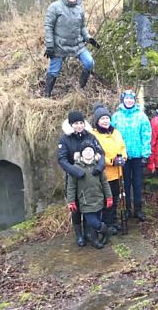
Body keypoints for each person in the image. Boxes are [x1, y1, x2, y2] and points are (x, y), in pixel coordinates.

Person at [43, 0, 100, 97]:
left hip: (77, 44)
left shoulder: (79, 9)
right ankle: (47, 94)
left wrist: (88, 37)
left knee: (89, 63)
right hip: (60, 45)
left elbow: (82, 26)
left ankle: (80, 88)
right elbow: (48, 26)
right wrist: (49, 45)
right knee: (54, 70)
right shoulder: (54, 7)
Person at [57, 111, 106, 246]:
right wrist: (76, 171)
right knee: (76, 208)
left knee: (90, 206)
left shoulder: (90, 136)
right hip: (74, 177)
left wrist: (99, 167)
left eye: (80, 123)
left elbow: (101, 153)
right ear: (71, 125)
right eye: (76, 123)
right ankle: (79, 235)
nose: (79, 126)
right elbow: (61, 159)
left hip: (91, 176)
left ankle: (90, 233)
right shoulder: (65, 139)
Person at [111, 90, 151, 222]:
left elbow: (146, 135)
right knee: (125, 184)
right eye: (127, 99)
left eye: (131, 99)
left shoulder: (141, 116)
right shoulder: (116, 116)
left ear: (134, 100)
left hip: (138, 155)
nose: (129, 101)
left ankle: (138, 209)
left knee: (138, 184)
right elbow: (112, 136)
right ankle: (127, 209)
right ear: (123, 100)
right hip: (123, 157)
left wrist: (146, 153)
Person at [66, 141, 113, 249]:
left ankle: (95, 239)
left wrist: (109, 197)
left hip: (98, 199)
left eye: (90, 150)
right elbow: (71, 186)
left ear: (94, 153)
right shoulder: (75, 168)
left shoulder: (98, 167)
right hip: (85, 201)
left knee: (93, 223)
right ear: (81, 153)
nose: (88, 152)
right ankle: (106, 230)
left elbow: (105, 183)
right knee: (93, 221)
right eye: (85, 150)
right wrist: (71, 201)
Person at [92, 102, 127, 234]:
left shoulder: (116, 132)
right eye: (102, 119)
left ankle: (112, 221)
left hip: (118, 172)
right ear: (97, 121)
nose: (105, 121)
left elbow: (123, 147)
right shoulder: (94, 135)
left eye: (107, 118)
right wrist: (111, 161)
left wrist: (123, 158)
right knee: (107, 199)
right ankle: (106, 223)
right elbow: (96, 154)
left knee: (116, 198)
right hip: (105, 174)